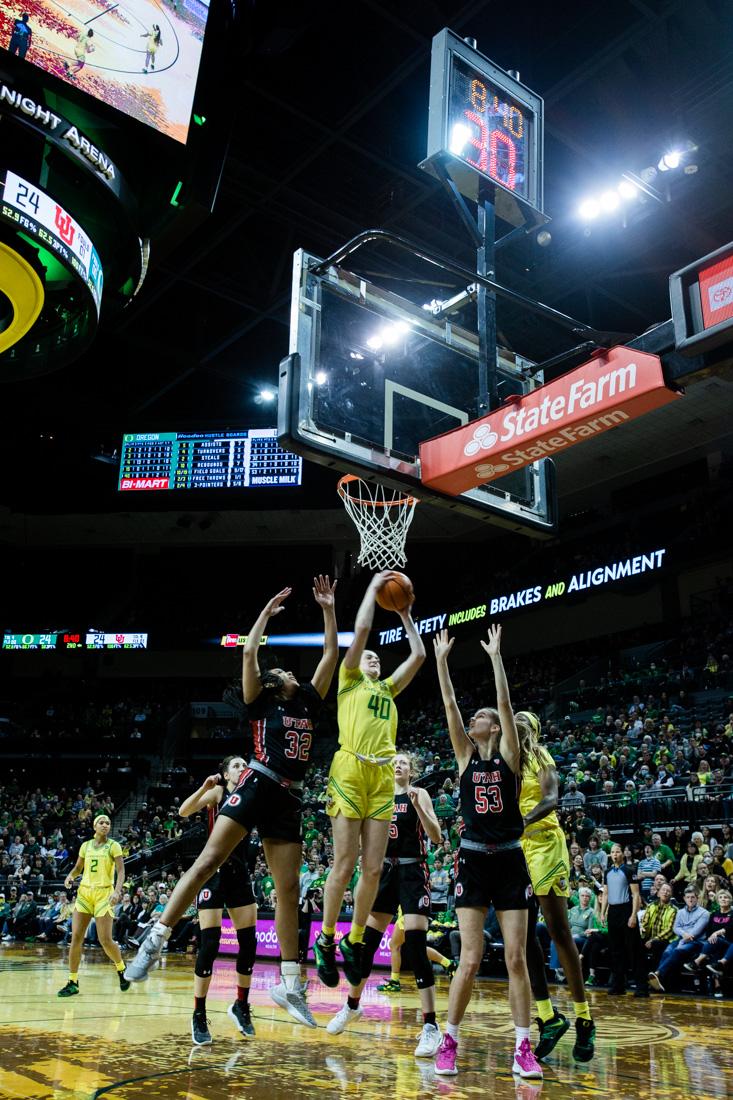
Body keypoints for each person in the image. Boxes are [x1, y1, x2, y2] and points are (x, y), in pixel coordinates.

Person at [125, 577, 338, 1032]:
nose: (292, 674)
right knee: (207, 860)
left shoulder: (309, 705)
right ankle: (155, 939)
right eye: (284, 673)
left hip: (289, 797)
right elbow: (248, 653)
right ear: (273, 682)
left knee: (288, 892)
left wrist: (328, 609)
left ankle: (289, 982)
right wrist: (264, 614)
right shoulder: (261, 704)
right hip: (258, 783)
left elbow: (331, 656)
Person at [432, 626, 542, 1080]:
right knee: (471, 958)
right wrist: (440, 662)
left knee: (516, 958)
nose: (474, 718)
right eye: (473, 717)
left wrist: (497, 657)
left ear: (493, 726)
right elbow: (451, 706)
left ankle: (523, 1047)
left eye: (483, 715)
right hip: (473, 858)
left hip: (510, 858)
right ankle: (449, 1040)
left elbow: (506, 705)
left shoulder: (509, 757)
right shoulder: (465, 756)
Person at [314, 572, 425, 990]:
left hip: (380, 774)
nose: (374, 658)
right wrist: (375, 585)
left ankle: (354, 940)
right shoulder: (349, 681)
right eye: (369, 656)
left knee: (374, 869)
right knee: (344, 864)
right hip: (349, 767)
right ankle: (325, 939)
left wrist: (405, 614)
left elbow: (417, 655)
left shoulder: (389, 689)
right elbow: (360, 629)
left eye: (378, 657)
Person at [326, 752, 444, 1055]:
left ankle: (431, 1025)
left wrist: (419, 808)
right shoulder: (378, 797)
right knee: (366, 944)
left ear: (412, 769)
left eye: (404, 761)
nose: (399, 764)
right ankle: (352, 1005)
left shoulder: (420, 794)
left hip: (413, 870)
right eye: (395, 761)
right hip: (385, 872)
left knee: (415, 944)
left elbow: (438, 837)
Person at [516, 711, 595, 1063]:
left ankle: (584, 1017)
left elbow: (551, 798)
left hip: (546, 842)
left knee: (558, 929)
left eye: (522, 722)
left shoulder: (541, 755)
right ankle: (548, 1016)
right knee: (522, 935)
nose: (515, 724)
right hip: (518, 849)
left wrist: (522, 819)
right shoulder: (505, 759)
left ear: (533, 729)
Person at [179, 756, 258, 1045]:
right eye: (236, 765)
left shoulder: (251, 795)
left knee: (249, 943)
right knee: (210, 944)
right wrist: (203, 788)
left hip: (240, 873)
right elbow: (183, 811)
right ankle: (198, 1013)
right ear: (225, 774)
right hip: (213, 872)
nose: (242, 768)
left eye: (243, 765)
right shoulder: (217, 793)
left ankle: (241, 1005)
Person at [57, 815, 128, 997]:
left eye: (108, 823)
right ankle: (73, 982)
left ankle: (121, 968)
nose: (105, 825)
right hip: (85, 893)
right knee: (76, 938)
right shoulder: (85, 846)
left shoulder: (114, 846)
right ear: (94, 826)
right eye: (101, 823)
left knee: (105, 940)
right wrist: (70, 876)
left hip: (104, 893)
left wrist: (117, 891)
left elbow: (121, 871)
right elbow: (78, 868)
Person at [377, 907, 456, 992]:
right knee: (416, 947)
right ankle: (449, 964)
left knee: (395, 945)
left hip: (408, 913)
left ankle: (394, 981)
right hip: (412, 913)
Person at [648, 885, 710, 992]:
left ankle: (658, 974)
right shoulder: (680, 912)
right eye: (688, 897)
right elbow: (676, 927)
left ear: (697, 898)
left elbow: (696, 932)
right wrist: (683, 936)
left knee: (678, 950)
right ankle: (659, 982)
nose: (690, 899)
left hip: (697, 942)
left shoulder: (704, 913)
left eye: (693, 897)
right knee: (667, 951)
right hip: (682, 939)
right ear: (684, 899)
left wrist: (684, 938)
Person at [599, 842, 641, 995]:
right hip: (613, 911)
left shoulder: (630, 870)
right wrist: (603, 912)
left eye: (617, 851)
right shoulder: (607, 872)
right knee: (615, 950)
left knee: (634, 949)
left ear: (623, 853)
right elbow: (605, 893)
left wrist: (633, 915)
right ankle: (618, 985)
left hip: (626, 909)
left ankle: (641, 986)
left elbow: (636, 894)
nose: (615, 854)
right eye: (613, 852)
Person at [635, 881, 676, 994]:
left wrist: (653, 939)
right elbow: (645, 922)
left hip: (665, 940)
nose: (665, 892)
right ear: (658, 893)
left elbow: (669, 930)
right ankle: (641, 980)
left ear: (671, 895)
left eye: (668, 891)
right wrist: (643, 931)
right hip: (649, 938)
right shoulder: (651, 906)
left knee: (657, 946)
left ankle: (655, 980)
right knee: (636, 945)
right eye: (663, 890)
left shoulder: (674, 909)